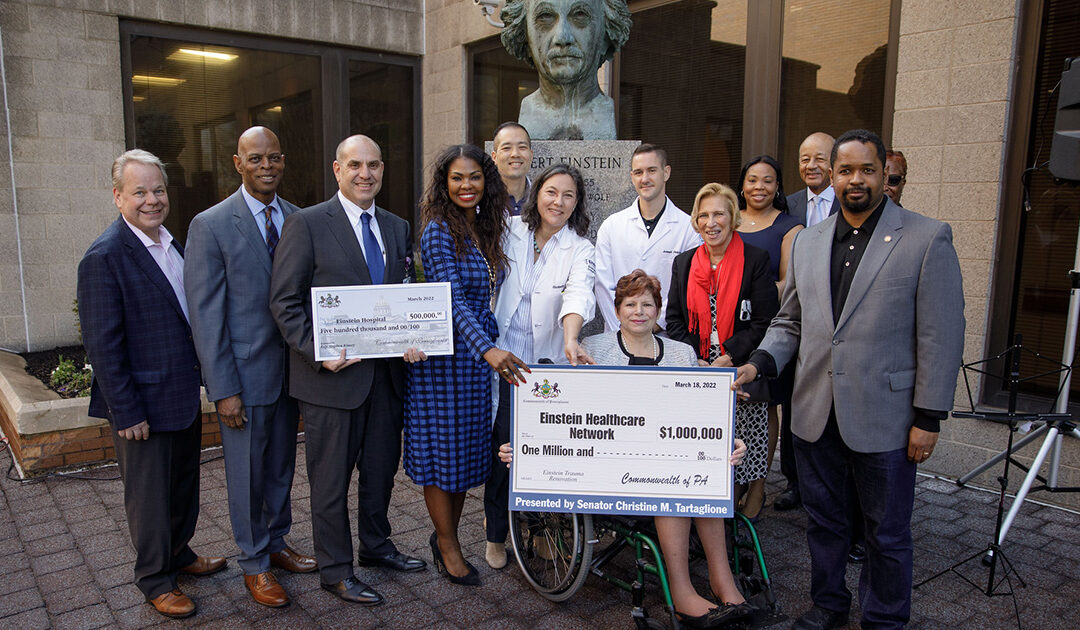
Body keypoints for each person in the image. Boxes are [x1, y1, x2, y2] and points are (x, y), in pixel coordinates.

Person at [735, 129, 965, 630]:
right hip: (816, 411)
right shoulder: (809, 241)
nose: (855, 180)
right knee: (824, 523)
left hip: (887, 418)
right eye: (846, 171)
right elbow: (790, 321)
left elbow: (941, 335)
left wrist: (929, 416)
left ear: (885, 174)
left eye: (866, 170)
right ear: (832, 178)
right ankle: (829, 606)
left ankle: (883, 619)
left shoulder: (927, 237)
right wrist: (759, 363)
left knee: (886, 532)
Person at [497, 269, 752, 629]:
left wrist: (730, 443)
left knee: (704, 478)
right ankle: (681, 593)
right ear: (616, 310)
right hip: (615, 473)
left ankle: (723, 583)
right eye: (630, 303)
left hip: (666, 456)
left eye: (648, 304)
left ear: (658, 310)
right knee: (674, 488)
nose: (639, 311)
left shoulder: (682, 353)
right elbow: (567, 412)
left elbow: (705, 411)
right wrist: (527, 448)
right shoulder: (595, 350)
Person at [270, 135, 425, 607]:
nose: (366, 174)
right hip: (331, 381)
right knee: (331, 481)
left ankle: (376, 547)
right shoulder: (307, 224)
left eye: (374, 165)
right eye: (355, 165)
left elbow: (403, 293)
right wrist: (319, 351)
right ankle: (336, 570)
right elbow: (284, 302)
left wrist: (416, 334)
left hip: (385, 379)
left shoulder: (397, 227)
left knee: (380, 472)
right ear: (336, 170)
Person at [77, 149, 224, 619]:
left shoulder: (171, 243)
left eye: (158, 190)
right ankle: (155, 579)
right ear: (118, 196)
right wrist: (127, 410)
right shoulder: (104, 257)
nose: (151, 200)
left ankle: (178, 554)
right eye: (139, 191)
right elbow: (103, 345)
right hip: (142, 403)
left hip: (179, 393)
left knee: (182, 486)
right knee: (149, 496)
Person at [184, 127, 316, 608]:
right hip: (242, 378)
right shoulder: (211, 224)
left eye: (274, 157)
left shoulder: (301, 218)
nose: (267, 165)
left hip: (293, 374)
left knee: (281, 467)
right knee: (246, 474)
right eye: (256, 157)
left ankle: (277, 543)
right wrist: (222, 389)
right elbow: (205, 314)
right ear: (237, 163)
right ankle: (255, 563)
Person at [405, 144, 530, 587]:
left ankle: (447, 539)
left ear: (486, 181)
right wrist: (489, 350)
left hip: (473, 364)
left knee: (458, 459)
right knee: (441, 458)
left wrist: (488, 345)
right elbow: (451, 300)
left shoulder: (481, 227)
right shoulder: (439, 231)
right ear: (444, 183)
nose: (466, 185)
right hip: (443, 363)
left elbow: (485, 298)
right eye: (457, 178)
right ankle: (447, 545)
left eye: (475, 177)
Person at [484, 163, 596, 569]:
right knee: (504, 450)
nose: (559, 202)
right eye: (552, 192)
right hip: (500, 355)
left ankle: (539, 527)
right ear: (538, 194)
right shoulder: (509, 229)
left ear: (577, 203)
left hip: (541, 366)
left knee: (544, 451)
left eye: (568, 195)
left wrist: (570, 338)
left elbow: (578, 294)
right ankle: (496, 533)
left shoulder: (579, 247)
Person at [666, 183, 779, 524]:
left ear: (733, 218)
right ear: (696, 221)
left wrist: (730, 355)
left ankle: (754, 488)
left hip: (741, 364)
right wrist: (694, 358)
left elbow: (763, 321)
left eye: (718, 214)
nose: (711, 222)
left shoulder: (756, 260)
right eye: (703, 215)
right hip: (698, 366)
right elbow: (673, 320)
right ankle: (714, 496)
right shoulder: (684, 263)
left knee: (747, 435)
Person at [735, 155, 804, 516]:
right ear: (742, 184)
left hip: (769, 328)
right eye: (752, 180)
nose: (759, 187)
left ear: (778, 187)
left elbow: (787, 283)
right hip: (729, 331)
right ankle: (736, 479)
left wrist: (742, 294)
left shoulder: (790, 227)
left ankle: (759, 485)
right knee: (735, 405)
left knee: (765, 406)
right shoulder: (728, 221)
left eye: (768, 180)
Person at [594, 143, 701, 332]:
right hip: (618, 335)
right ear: (631, 177)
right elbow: (603, 285)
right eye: (638, 172)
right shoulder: (612, 226)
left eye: (652, 170)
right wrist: (623, 326)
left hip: (665, 335)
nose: (645, 179)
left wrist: (656, 324)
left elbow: (688, 287)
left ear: (666, 172)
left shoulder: (688, 228)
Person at [499, 0, 631, 139]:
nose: (562, 37)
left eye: (580, 15)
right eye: (545, 16)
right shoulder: (528, 111)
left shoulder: (606, 112)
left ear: (605, 37)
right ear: (525, 37)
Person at [786, 132, 840, 228]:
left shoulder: (847, 202)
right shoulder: (787, 205)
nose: (811, 166)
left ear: (834, 162)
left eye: (819, 159)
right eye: (805, 160)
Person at [491, 121, 534, 216]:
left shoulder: (543, 199)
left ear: (531, 155)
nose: (515, 154)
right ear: (494, 157)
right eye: (506, 148)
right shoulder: (480, 201)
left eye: (522, 147)